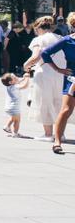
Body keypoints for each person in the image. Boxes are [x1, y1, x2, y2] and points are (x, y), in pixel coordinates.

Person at [23, 16, 63, 141]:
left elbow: (36, 56)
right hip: (60, 73)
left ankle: (48, 134)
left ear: (38, 27)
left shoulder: (39, 39)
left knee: (44, 101)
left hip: (45, 73)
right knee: (58, 102)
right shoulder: (60, 38)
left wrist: (26, 64)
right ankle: (60, 133)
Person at [40, 16, 75, 155]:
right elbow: (45, 53)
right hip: (72, 78)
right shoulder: (67, 40)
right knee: (66, 110)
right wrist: (58, 69)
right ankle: (57, 142)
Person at [2, 71, 30, 137]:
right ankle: (15, 132)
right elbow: (25, 86)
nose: (17, 78)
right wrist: (27, 78)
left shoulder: (9, 86)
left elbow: (18, 82)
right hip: (14, 107)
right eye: (15, 78)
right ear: (11, 82)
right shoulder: (15, 87)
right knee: (17, 120)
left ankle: (7, 127)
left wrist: (23, 78)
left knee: (13, 118)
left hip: (9, 107)